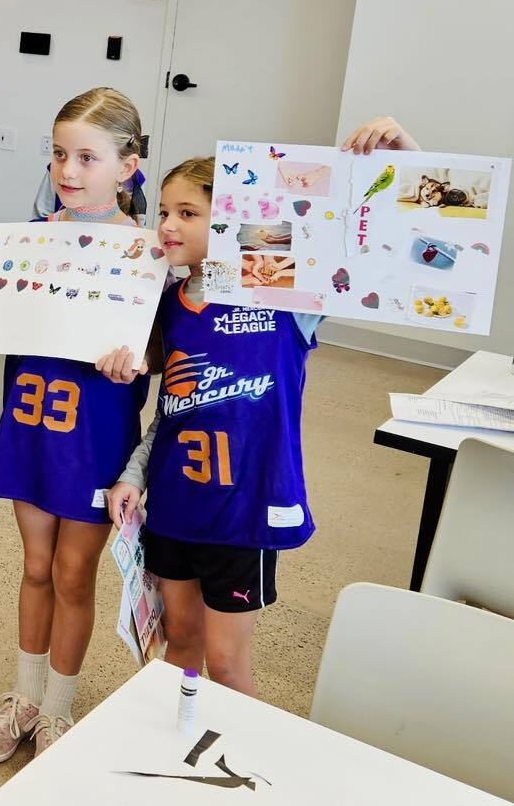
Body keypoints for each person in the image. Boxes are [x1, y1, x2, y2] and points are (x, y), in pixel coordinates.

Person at [101, 117, 420, 697]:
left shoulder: (284, 297)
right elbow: (174, 410)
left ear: (225, 222)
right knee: (178, 647)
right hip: (174, 505)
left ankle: (229, 767)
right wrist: (133, 474)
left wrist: (402, 157)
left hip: (243, 515)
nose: (168, 225)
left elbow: (382, 252)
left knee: (225, 663)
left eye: (188, 213)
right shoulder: (166, 304)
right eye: (164, 211)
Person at [0, 87, 149, 761]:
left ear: (128, 165)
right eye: (59, 154)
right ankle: (24, 696)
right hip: (30, 427)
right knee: (34, 565)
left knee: (73, 573)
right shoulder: (24, 242)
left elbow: (161, 358)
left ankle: (57, 706)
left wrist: (134, 364)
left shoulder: (145, 255)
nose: (68, 169)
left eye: (87, 156)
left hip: (94, 439)